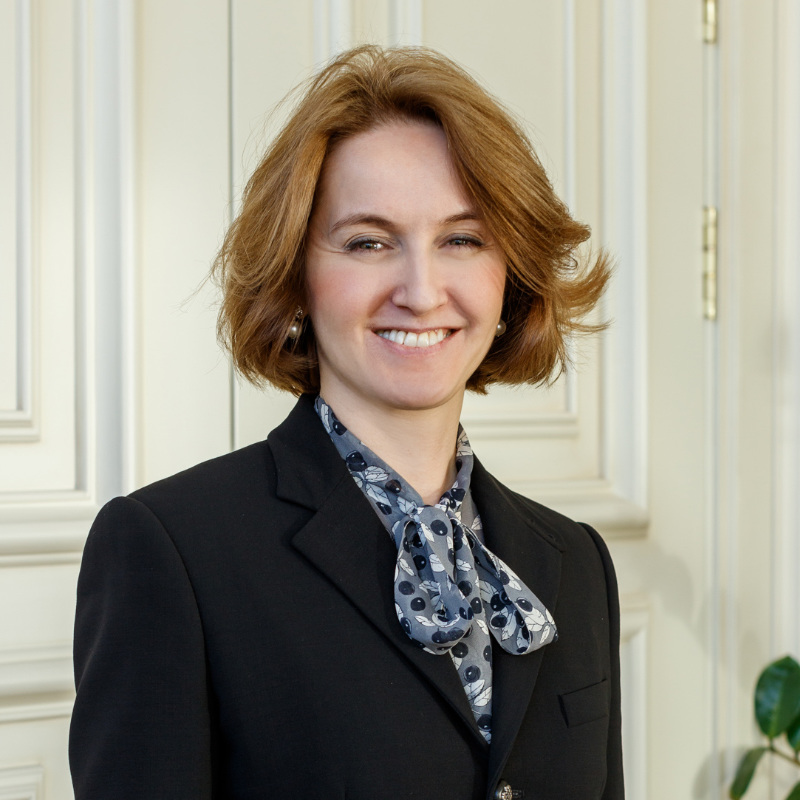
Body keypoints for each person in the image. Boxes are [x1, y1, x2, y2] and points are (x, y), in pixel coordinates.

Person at [69, 45, 622, 800]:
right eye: (368, 242)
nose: (421, 291)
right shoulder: (171, 553)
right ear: (297, 277)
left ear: (511, 278)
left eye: (462, 240)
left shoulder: (576, 562)